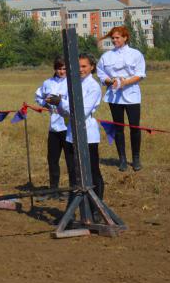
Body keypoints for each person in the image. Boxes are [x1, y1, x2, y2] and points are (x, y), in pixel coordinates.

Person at [46, 52, 105, 200]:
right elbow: (65, 112)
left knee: (92, 172)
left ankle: (96, 209)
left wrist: (61, 103)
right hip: (71, 134)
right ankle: (72, 209)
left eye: (84, 66)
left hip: (87, 135)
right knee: (73, 173)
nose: (80, 69)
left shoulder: (93, 86)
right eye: (78, 66)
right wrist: (57, 104)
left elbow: (82, 112)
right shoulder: (72, 84)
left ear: (92, 67)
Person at [96, 25, 146, 172]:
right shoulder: (106, 56)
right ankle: (122, 159)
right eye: (113, 38)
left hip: (132, 96)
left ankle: (136, 158)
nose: (114, 40)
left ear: (125, 38)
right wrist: (109, 81)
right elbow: (100, 73)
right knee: (118, 128)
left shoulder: (136, 54)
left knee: (134, 127)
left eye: (117, 37)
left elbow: (140, 74)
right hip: (114, 97)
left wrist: (126, 82)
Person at [35, 57, 69, 195]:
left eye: (64, 69)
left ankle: (74, 189)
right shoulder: (47, 83)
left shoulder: (72, 83)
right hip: (54, 128)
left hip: (68, 127)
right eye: (59, 68)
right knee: (52, 159)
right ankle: (53, 189)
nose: (62, 71)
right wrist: (45, 103)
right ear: (55, 69)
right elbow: (38, 96)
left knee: (71, 160)